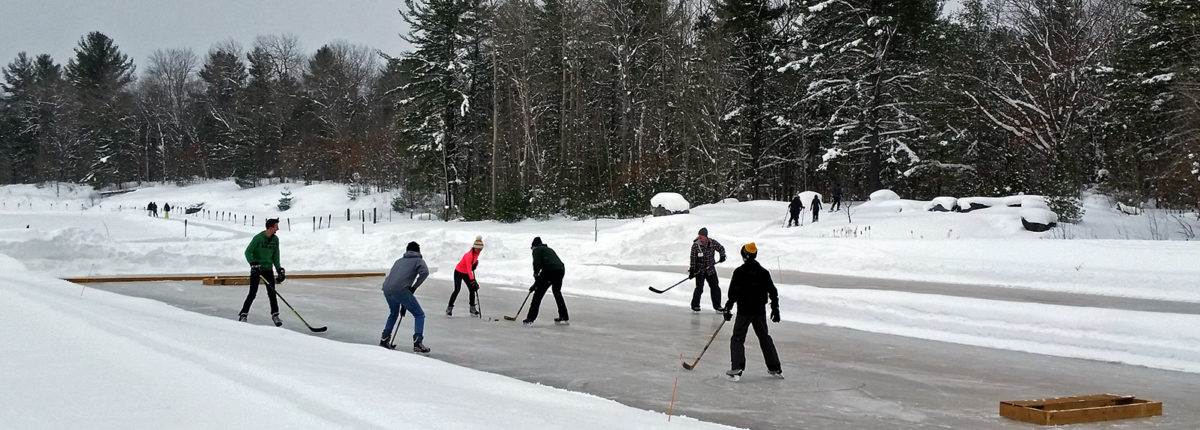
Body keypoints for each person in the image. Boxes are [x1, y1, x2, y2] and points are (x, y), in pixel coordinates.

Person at [722, 242, 783, 381]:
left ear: (744, 255)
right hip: (759, 312)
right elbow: (773, 291)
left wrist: (728, 307)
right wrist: (775, 308)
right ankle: (774, 367)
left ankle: (737, 367)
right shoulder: (763, 272)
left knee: (737, 338)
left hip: (744, 312)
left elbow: (733, 293)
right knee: (764, 337)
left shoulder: (739, 272)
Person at [380, 241, 431, 353]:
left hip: (387, 289)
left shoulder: (399, 261)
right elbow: (425, 272)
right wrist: (414, 287)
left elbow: (397, 279)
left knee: (393, 313)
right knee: (419, 314)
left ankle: (384, 338)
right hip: (401, 290)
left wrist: (405, 302)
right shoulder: (419, 260)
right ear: (418, 251)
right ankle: (418, 342)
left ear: (407, 250)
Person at [240, 218, 286, 326]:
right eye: (276, 226)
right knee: (252, 293)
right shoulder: (258, 238)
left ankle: (275, 315)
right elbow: (248, 252)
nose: (278, 229)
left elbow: (276, 256)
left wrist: (279, 269)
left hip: (268, 269)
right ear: (270, 227)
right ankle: (243, 314)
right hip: (257, 269)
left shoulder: (275, 240)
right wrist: (253, 263)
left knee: (272, 293)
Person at [523, 237, 568, 326]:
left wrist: (535, 275)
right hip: (560, 270)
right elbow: (544, 272)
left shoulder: (537, 250)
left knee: (538, 295)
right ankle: (564, 316)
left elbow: (537, 264)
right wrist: (536, 284)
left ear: (533, 246)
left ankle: (530, 318)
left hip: (550, 271)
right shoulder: (548, 249)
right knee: (557, 292)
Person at [688, 227, 726, 313]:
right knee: (699, 288)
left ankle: (718, 306)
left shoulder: (712, 243)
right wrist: (692, 271)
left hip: (711, 270)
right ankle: (695, 306)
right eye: (699, 236)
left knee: (715, 287)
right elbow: (693, 259)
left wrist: (722, 255)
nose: (700, 238)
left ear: (706, 236)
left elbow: (721, 248)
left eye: (701, 236)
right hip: (700, 271)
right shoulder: (696, 245)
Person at [447, 235, 484, 317]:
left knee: (472, 289)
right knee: (457, 289)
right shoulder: (469, 255)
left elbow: (470, 267)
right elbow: (468, 268)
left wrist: (474, 264)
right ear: (474, 248)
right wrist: (473, 280)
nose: (479, 251)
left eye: (480, 249)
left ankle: (472, 308)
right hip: (458, 272)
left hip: (466, 273)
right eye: (478, 249)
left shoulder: (476, 254)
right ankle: (449, 307)